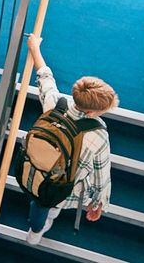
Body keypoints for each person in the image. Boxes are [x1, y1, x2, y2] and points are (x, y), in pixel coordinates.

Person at [24, 33, 119, 245]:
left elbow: (44, 77)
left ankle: (35, 230)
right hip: (63, 186)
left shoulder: (56, 104)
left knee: (39, 203)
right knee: (52, 205)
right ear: (94, 113)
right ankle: (43, 225)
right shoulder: (98, 136)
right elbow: (101, 174)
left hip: (37, 171)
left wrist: (34, 47)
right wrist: (99, 203)